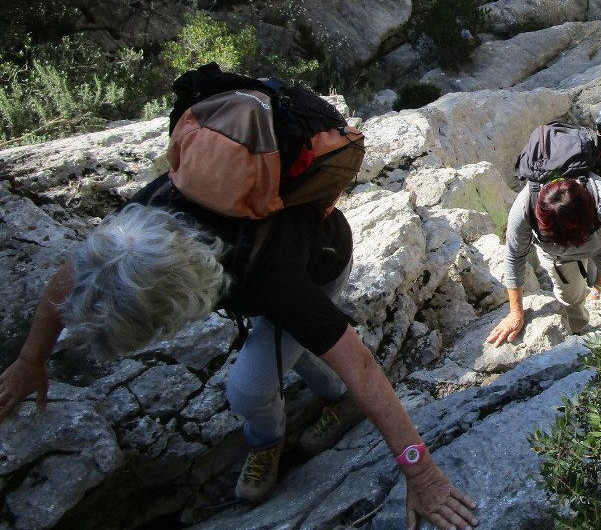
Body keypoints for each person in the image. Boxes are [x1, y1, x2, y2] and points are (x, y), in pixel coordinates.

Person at [0, 196, 479, 527]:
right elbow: (76, 273)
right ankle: (332, 397)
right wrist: (29, 360)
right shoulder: (138, 231)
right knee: (293, 343)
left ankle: (273, 436)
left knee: (248, 387)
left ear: (179, 303)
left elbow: (363, 367)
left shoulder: (269, 277)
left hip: (322, 263)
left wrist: (424, 477)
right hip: (286, 258)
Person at [485, 176, 601, 346]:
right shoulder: (525, 206)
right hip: (558, 258)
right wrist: (515, 311)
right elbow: (514, 256)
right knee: (570, 300)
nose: (572, 247)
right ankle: (578, 335)